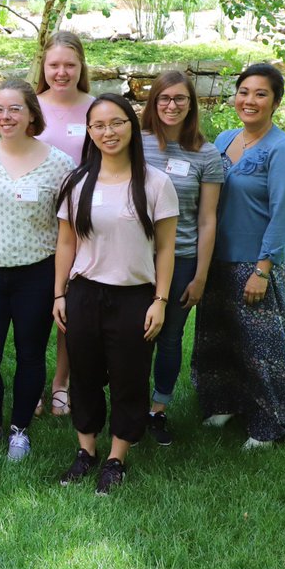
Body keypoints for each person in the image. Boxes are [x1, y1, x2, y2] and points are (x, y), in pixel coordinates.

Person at [53, 93, 178, 495]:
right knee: (84, 375)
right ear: (89, 132)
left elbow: (166, 248)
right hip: (84, 294)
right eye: (99, 125)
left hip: (134, 297)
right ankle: (86, 450)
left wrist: (160, 300)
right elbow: (66, 243)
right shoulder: (77, 182)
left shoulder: (155, 183)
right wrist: (59, 294)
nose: (108, 132)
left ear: (131, 126)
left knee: (129, 378)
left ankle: (116, 458)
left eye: (116, 123)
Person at [191, 63, 285, 448]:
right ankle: (224, 403)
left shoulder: (284, 151)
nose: (249, 100)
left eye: (261, 94)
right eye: (244, 91)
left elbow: (284, 216)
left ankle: (271, 425)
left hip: (254, 264)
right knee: (218, 339)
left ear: (275, 102)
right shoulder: (225, 138)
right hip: (215, 259)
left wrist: (262, 270)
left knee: (261, 350)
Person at [0, 80, 75, 461]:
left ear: (31, 115)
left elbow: (67, 228)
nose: (5, 116)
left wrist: (62, 283)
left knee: (30, 355)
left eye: (14, 109)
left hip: (36, 274)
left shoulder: (60, 164)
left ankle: (20, 429)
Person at [139, 71, 223, 445]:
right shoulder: (136, 143)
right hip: (136, 257)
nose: (171, 105)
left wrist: (201, 275)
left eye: (180, 99)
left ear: (191, 104)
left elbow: (207, 219)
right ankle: (130, 407)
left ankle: (158, 410)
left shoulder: (206, 154)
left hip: (183, 258)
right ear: (154, 102)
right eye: (164, 98)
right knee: (135, 336)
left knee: (170, 337)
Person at [34, 30, 96, 417]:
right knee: (35, 306)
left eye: (69, 65)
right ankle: (34, 382)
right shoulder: (30, 106)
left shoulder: (95, 108)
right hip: (34, 219)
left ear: (81, 67)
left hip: (81, 221)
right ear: (43, 66)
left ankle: (62, 381)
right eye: (54, 64)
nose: (61, 72)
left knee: (69, 304)